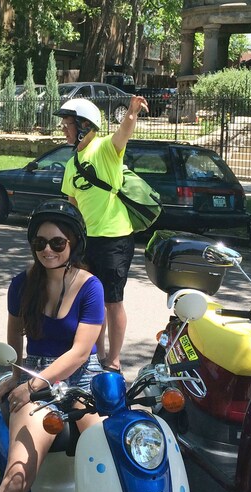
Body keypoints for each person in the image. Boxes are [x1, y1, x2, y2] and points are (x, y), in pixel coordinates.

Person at [0, 200, 105, 492]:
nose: (47, 250)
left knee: (113, 459)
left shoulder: (90, 287)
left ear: (74, 244)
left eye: (57, 243)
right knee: (17, 476)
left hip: (82, 377)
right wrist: (15, 376)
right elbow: (15, 341)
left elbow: (81, 352)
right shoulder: (22, 285)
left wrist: (30, 386)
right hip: (36, 374)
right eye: (40, 243)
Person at [55, 96, 147, 374]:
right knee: (92, 299)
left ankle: (114, 359)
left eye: (67, 123)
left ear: (84, 126)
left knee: (112, 300)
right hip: (87, 240)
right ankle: (99, 352)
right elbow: (72, 206)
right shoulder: (72, 163)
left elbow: (123, 133)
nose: (63, 128)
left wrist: (131, 113)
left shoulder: (105, 149)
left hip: (115, 238)